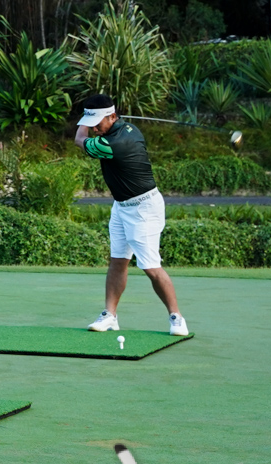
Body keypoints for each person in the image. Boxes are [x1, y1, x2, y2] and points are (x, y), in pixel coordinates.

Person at [75, 94, 187, 337]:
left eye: (97, 122)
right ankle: (110, 315)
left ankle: (177, 317)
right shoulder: (128, 128)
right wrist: (92, 118)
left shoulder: (112, 143)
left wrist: (83, 122)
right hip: (122, 206)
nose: (94, 127)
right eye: (91, 122)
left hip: (143, 209)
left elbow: (79, 139)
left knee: (151, 267)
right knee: (118, 260)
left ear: (113, 117)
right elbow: (97, 129)